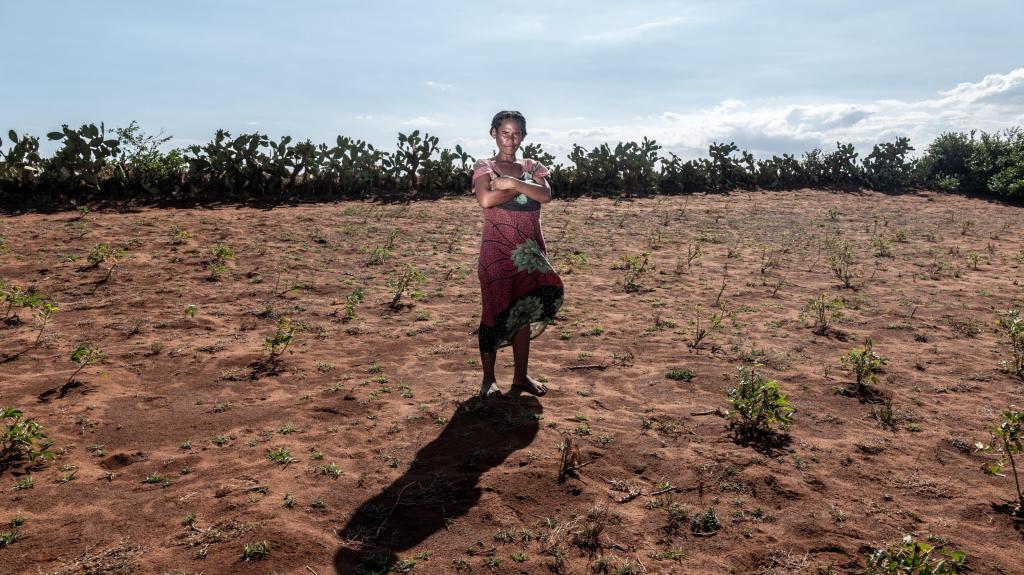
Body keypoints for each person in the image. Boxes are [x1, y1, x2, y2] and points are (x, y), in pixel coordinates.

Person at [471, 110, 564, 398]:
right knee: (493, 312)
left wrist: (511, 184)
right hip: (496, 254)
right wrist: (526, 187)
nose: (510, 139)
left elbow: (545, 195)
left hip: (529, 252)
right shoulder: (484, 166)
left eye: (516, 134)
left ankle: (520, 377)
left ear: (523, 136)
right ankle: (488, 379)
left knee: (524, 311)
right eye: (505, 133)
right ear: (494, 134)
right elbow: (486, 199)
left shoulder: (533, 166)